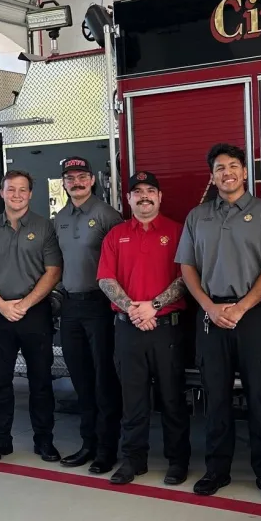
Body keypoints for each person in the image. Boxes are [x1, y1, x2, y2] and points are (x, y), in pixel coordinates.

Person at [178, 144, 261, 500]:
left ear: (244, 172)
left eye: (234, 166)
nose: (227, 173)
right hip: (211, 316)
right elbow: (187, 267)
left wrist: (242, 307)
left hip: (252, 316)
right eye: (220, 168)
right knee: (216, 397)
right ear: (212, 176)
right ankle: (216, 470)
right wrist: (208, 306)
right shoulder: (198, 217)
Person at [97, 171, 191, 486]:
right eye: (138, 192)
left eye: (151, 190)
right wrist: (134, 309)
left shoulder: (179, 232)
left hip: (167, 329)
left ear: (160, 197)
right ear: (128, 199)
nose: (145, 196)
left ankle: (178, 462)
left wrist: (154, 306)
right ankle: (132, 461)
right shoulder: (115, 235)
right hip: (128, 329)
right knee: (132, 400)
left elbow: (186, 278)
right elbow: (106, 279)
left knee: (172, 400)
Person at [0, 169, 63, 464]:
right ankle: (0, 442)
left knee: (41, 381)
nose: (17, 195)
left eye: (23, 190)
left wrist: (26, 304)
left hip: (35, 314)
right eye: (11, 189)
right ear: (1, 192)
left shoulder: (45, 228)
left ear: (31, 194)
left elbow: (53, 271)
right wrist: (1, 304)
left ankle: (44, 441)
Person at [54, 156, 124, 474]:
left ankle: (108, 449)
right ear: (64, 183)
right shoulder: (60, 219)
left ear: (93, 180)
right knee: (80, 379)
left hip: (100, 307)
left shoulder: (108, 216)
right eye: (70, 178)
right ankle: (88, 443)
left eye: (82, 176)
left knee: (103, 379)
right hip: (70, 308)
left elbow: (122, 264)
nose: (77, 182)